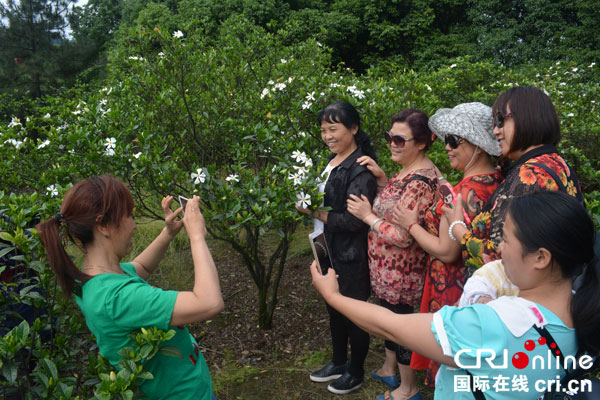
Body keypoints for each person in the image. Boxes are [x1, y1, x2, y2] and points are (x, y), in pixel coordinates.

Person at [312, 190, 600, 399]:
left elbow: (390, 325)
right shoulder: (581, 314)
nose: (499, 250)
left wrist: (334, 297)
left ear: (541, 258)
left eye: (507, 240)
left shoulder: (494, 327)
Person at [36, 175, 223, 400]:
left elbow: (140, 266)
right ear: (103, 225)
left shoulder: (95, 279)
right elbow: (209, 302)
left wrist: (168, 233)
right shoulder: (116, 298)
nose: (134, 225)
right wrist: (197, 237)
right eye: (129, 216)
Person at [391, 102, 503, 385]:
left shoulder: (463, 192)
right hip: (481, 280)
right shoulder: (496, 180)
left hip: (451, 283)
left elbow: (446, 250)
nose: (447, 147)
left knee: (450, 351)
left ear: (477, 145)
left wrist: (411, 225)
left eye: (454, 141)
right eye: (447, 140)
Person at [347, 108, 438, 400]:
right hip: (388, 271)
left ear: (421, 142)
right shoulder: (408, 170)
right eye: (389, 137)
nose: (392, 144)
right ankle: (389, 368)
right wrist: (385, 180)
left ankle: (407, 387)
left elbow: (403, 235)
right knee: (389, 319)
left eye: (400, 139)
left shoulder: (420, 182)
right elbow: (395, 209)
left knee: (402, 327)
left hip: (403, 273)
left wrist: (366, 217)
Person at [444, 86, 584, 270]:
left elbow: (499, 258)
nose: (496, 131)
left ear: (528, 117)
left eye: (501, 121)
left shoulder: (529, 176)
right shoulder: (556, 163)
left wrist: (457, 228)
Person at [296, 101, 377, 394]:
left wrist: (313, 212)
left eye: (334, 128)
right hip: (326, 247)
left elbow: (356, 222)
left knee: (354, 313)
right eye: (323, 130)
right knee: (334, 307)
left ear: (353, 128)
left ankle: (356, 371)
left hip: (350, 254)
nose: (328, 136)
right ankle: (339, 361)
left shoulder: (360, 168)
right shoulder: (333, 161)